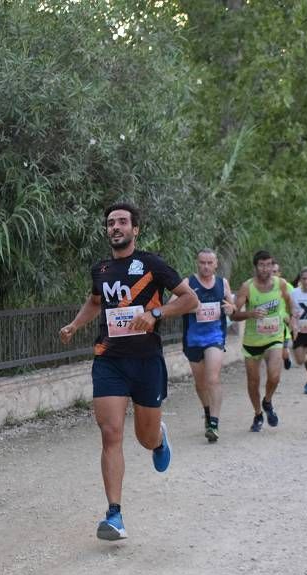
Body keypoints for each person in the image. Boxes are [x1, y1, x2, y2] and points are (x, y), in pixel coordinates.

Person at [59, 202, 199, 541]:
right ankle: (115, 515)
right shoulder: (101, 269)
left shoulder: (152, 264)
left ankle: (158, 439)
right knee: (111, 433)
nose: (115, 227)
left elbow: (190, 300)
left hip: (147, 361)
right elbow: (95, 302)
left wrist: (156, 314)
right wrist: (75, 325)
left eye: (122, 222)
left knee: (144, 437)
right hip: (109, 359)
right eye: (111, 223)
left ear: (135, 229)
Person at [174, 249, 237, 442]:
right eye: (203, 262)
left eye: (210, 263)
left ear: (216, 264)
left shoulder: (222, 283)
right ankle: (208, 412)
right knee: (200, 384)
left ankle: (214, 424)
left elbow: (233, 307)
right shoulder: (188, 283)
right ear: (197, 263)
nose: (206, 266)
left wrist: (230, 308)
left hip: (215, 337)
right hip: (193, 340)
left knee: (213, 379)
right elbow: (172, 305)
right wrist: (190, 306)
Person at [230, 251, 294, 432]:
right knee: (253, 382)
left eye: (269, 265)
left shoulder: (280, 284)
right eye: (261, 265)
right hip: (252, 342)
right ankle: (258, 413)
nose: (266, 269)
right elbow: (234, 315)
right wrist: (250, 313)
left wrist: (289, 317)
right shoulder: (247, 287)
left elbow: (290, 302)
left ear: (273, 266)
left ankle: (267, 401)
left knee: (274, 376)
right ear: (256, 266)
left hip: (274, 337)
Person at [272, 261, 293, 370]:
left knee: (282, 351)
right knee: (274, 352)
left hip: (283, 324)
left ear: (279, 273)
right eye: (271, 271)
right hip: (268, 325)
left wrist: (291, 317)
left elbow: (293, 303)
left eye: (275, 271)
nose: (272, 274)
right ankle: (274, 374)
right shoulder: (261, 287)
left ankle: (286, 357)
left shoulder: (287, 286)